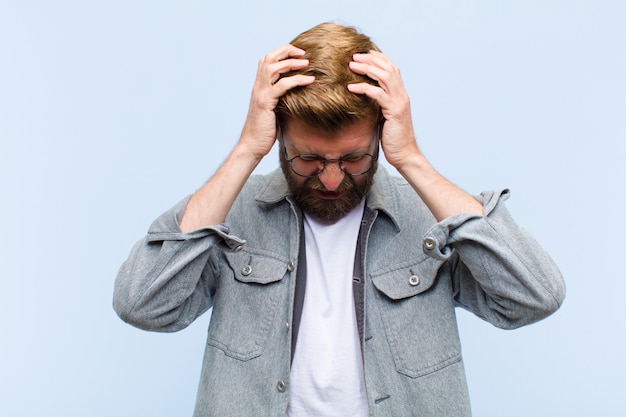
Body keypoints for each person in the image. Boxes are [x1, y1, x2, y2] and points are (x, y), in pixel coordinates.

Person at [113, 22, 565, 417]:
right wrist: (246, 149)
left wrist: (410, 158)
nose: (331, 179)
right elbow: (142, 305)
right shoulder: (231, 214)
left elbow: (534, 297)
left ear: (381, 135)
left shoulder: (433, 219)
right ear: (278, 137)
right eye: (308, 158)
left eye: (353, 158)